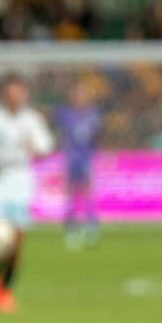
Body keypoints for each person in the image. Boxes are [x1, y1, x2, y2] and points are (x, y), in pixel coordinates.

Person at [0, 73, 54, 313]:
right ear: (3, 93)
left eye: (20, 91)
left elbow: (45, 146)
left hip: (20, 181)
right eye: (12, 91)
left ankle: (3, 289)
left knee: (17, 243)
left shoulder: (31, 119)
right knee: (0, 237)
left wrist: (36, 148)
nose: (17, 96)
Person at [55, 81, 102, 250]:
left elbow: (96, 137)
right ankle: (70, 227)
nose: (79, 98)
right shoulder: (64, 114)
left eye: (83, 94)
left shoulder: (92, 114)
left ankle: (91, 226)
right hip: (70, 157)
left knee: (87, 190)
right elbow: (59, 133)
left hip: (86, 157)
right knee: (70, 192)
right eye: (77, 94)